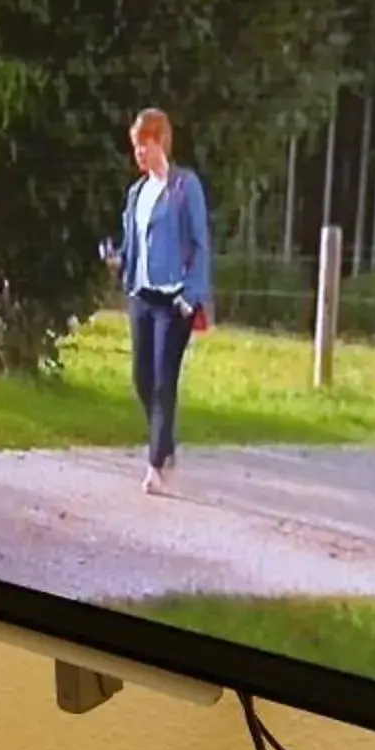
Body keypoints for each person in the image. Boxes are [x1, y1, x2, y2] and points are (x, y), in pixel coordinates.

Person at [98, 107, 212, 495]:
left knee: (164, 381)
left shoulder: (185, 187)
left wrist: (192, 295)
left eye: (143, 145)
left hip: (174, 300)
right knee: (141, 378)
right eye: (135, 147)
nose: (138, 154)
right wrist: (117, 259)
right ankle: (166, 445)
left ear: (160, 141)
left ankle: (155, 466)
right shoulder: (137, 193)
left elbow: (200, 244)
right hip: (141, 296)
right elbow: (131, 247)